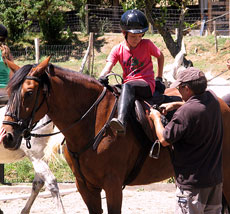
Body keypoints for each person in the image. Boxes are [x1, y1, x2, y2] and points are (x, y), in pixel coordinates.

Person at [149, 67, 223, 214]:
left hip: (192, 186)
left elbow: (164, 139)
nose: (179, 91)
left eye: (180, 88)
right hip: (214, 182)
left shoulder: (185, 113)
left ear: (187, 88)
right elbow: (198, 106)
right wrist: (176, 104)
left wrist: (156, 118)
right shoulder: (212, 99)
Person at [98, 9, 165, 135]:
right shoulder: (117, 49)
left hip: (146, 84)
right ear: (124, 33)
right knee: (111, 92)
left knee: (127, 86)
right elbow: (108, 66)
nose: (137, 39)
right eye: (133, 36)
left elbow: (160, 56)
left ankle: (121, 122)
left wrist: (159, 78)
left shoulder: (147, 44)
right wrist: (102, 77)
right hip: (128, 85)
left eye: (140, 36)